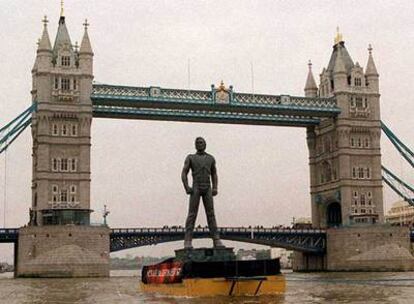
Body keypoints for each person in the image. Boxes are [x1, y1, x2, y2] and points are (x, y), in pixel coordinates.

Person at [181, 137, 224, 249]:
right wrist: (186, 187)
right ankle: (188, 240)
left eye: (201, 142)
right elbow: (184, 173)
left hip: (207, 187)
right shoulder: (191, 157)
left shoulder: (211, 158)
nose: (199, 144)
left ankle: (216, 239)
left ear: (205, 144)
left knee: (211, 214)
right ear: (195, 145)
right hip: (196, 187)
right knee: (192, 215)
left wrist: (215, 187)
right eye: (197, 143)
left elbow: (214, 174)